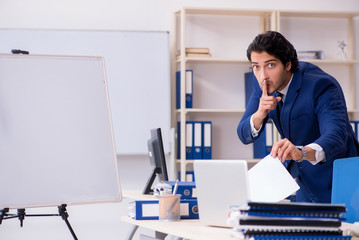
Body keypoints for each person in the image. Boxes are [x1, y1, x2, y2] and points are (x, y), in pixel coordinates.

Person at [237, 31, 359, 203]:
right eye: (256, 66)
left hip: (339, 179)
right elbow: (243, 133)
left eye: (270, 65)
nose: (262, 75)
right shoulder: (264, 84)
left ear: (287, 64)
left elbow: (337, 135)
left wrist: (300, 152)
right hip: (304, 181)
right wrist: (259, 114)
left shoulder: (321, 85)